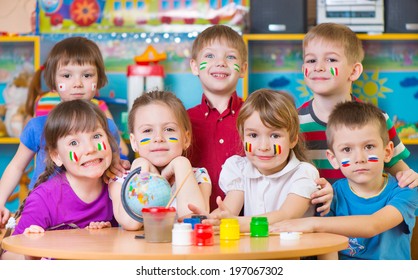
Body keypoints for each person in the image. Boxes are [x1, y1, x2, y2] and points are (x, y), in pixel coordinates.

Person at [188, 24, 331, 212]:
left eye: (230, 57)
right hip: (200, 220)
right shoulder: (183, 121)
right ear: (194, 66)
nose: (221, 62)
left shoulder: (260, 116)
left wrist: (326, 190)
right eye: (209, 55)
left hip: (250, 223)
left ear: (244, 69)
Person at [0, 36, 130, 228]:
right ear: (53, 83)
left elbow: (116, 164)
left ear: (99, 80)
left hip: (92, 216)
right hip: (44, 214)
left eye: (87, 75)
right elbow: (17, 166)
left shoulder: (106, 127)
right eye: (67, 76)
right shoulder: (38, 127)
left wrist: (119, 165)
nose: (77, 83)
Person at [273, 101, 418, 260]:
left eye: (369, 146)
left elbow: (373, 225)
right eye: (347, 150)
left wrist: (312, 223)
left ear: (388, 151)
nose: (359, 158)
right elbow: (326, 247)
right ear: (333, 159)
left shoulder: (405, 190)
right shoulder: (332, 196)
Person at [189, 89, 328, 233]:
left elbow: (286, 215)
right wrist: (209, 221)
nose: (263, 147)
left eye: (275, 135)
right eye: (253, 135)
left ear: (292, 139)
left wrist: (238, 224)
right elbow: (230, 210)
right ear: (243, 138)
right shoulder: (238, 168)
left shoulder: (304, 173)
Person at [298, 22, 418, 188]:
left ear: (354, 71)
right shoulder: (293, 122)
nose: (318, 67)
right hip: (310, 212)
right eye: (311, 60)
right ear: (303, 68)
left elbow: (399, 171)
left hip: (362, 213)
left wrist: (410, 177)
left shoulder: (377, 119)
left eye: (331, 59)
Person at [0, 100, 119, 260]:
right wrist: (30, 256)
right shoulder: (44, 199)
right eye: (74, 142)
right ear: (56, 156)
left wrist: (108, 236)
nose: (90, 148)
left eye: (96, 136)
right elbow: (8, 258)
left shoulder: (118, 188)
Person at [109, 90, 210, 230]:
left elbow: (194, 220)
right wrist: (142, 170)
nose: (158, 138)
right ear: (134, 142)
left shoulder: (198, 176)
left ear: (186, 139)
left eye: (169, 129)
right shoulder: (121, 179)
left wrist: (181, 164)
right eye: (147, 131)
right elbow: (131, 223)